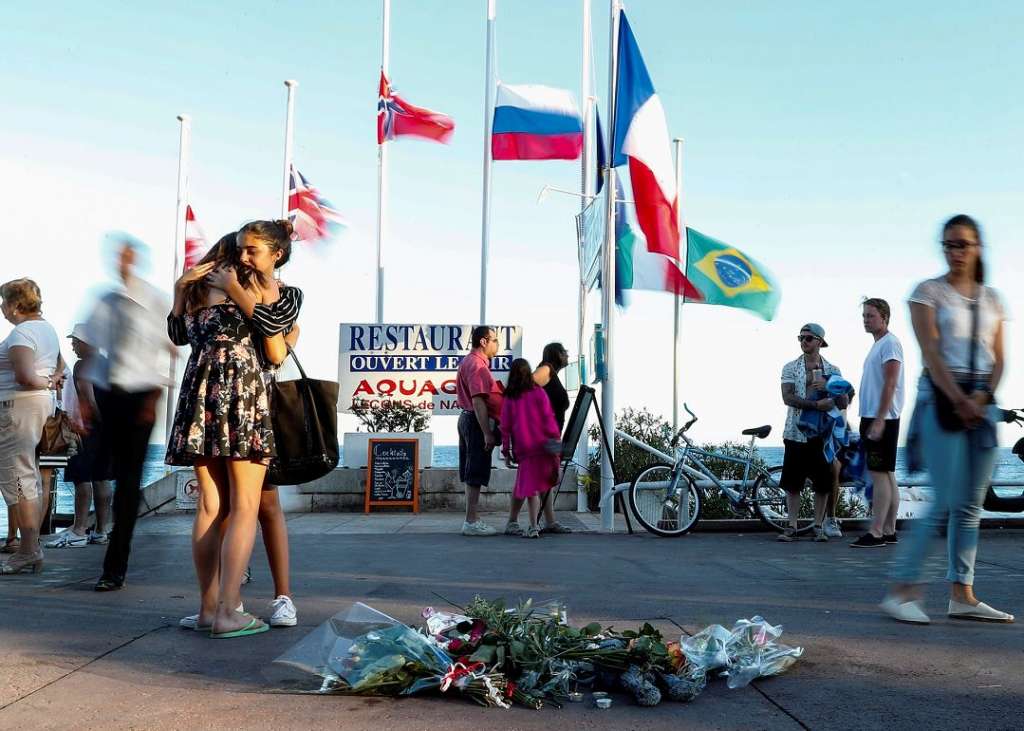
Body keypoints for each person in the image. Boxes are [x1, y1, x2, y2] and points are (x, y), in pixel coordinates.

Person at [882, 214, 1014, 624]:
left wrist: (981, 398)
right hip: (941, 395)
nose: (955, 252)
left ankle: (963, 595)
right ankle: (902, 591)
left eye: (963, 244)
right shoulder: (927, 293)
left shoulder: (992, 299)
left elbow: (1000, 357)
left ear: (978, 247)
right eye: (949, 244)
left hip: (982, 397)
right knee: (942, 498)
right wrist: (960, 399)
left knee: (971, 504)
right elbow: (931, 352)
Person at [174, 228, 303, 631]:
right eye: (243, 252)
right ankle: (229, 611)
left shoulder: (197, 290)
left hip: (200, 392)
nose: (246, 259)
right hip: (241, 390)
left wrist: (180, 290)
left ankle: (208, 609)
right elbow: (275, 349)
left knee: (210, 506)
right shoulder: (258, 290)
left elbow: (178, 335)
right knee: (247, 505)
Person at [83, 235, 172, 591]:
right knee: (101, 468)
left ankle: (115, 565)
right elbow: (90, 346)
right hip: (108, 393)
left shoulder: (154, 300)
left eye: (127, 257)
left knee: (128, 480)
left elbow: (168, 350)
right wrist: (86, 398)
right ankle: (108, 530)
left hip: (141, 394)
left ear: (137, 261)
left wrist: (153, 397)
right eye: (118, 257)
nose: (121, 263)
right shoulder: (105, 299)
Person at [0, 278, 63, 575]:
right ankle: (30, 547)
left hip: (17, 408)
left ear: (15, 305)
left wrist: (46, 382)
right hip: (33, 406)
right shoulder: (47, 329)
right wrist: (51, 381)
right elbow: (59, 366)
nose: (2, 307)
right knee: (28, 476)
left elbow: (25, 376)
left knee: (18, 476)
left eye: (4, 301)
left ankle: (27, 550)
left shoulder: (23, 332)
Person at [777, 323, 849, 542]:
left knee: (822, 483)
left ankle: (818, 526)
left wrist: (828, 389)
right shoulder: (791, 367)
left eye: (808, 338)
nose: (803, 342)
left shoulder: (833, 370)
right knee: (793, 483)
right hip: (795, 431)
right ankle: (791, 525)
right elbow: (787, 397)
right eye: (800, 338)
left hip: (822, 433)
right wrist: (816, 405)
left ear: (820, 341)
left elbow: (843, 401)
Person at [45, 324, 113, 548]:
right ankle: (101, 530)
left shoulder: (83, 365)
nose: (73, 346)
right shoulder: (107, 364)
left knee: (82, 479)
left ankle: (79, 531)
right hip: (106, 430)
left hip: (86, 429)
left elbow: (88, 398)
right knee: (101, 478)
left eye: (76, 342)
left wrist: (90, 424)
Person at [851, 299, 905, 549]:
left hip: (881, 417)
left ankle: (876, 532)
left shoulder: (890, 344)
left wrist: (880, 419)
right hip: (876, 416)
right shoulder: (880, 344)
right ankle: (889, 530)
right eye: (864, 316)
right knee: (887, 474)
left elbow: (891, 383)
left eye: (870, 316)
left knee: (879, 475)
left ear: (884, 317)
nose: (865, 320)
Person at [504, 343, 573, 535]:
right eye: (565, 352)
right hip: (537, 438)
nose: (568, 356)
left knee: (540, 480)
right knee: (529, 480)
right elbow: (526, 388)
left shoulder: (551, 373)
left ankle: (547, 521)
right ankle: (519, 522)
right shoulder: (546, 370)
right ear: (557, 354)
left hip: (541, 438)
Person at [456, 326, 503, 536]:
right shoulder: (477, 365)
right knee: (475, 471)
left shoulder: (469, 361)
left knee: (471, 470)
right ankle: (471, 521)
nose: (497, 345)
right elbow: (478, 401)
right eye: (495, 340)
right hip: (475, 421)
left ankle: (472, 518)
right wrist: (487, 432)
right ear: (483, 342)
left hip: (467, 418)